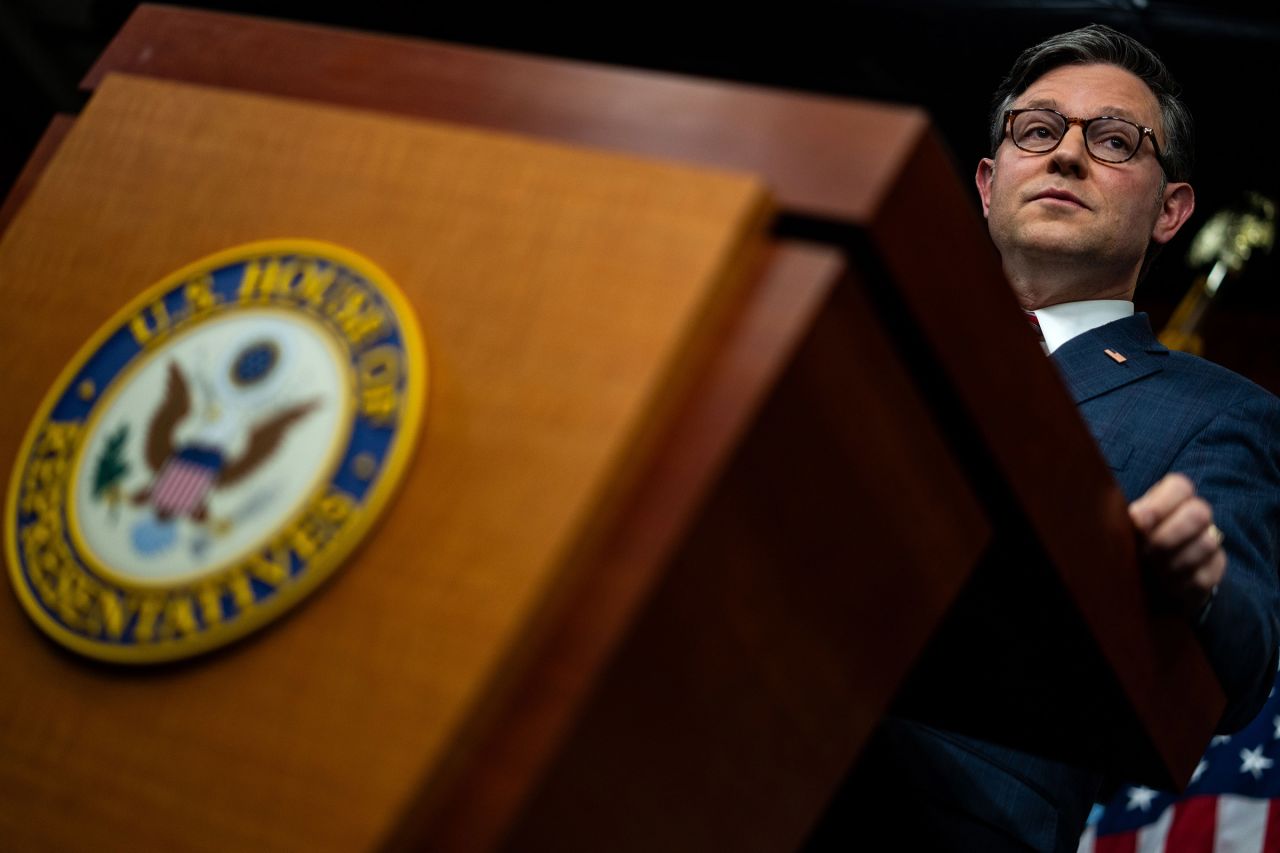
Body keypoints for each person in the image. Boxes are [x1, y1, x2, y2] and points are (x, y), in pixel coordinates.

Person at [808, 24, 1280, 852]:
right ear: (988, 183)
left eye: (1112, 141)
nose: (1066, 155)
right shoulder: (861, 324)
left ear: (1170, 210)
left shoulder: (1222, 412)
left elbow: (1244, 657)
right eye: (1037, 130)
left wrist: (1197, 578)